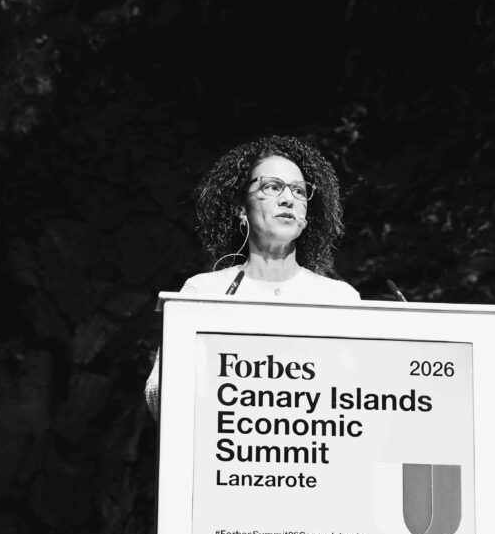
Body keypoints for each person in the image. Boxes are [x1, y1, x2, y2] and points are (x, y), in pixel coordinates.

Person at [145, 135, 360, 415]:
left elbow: (360, 394)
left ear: (307, 216)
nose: (288, 199)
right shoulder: (205, 292)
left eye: (299, 190)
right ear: (241, 208)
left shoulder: (339, 298)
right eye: (272, 187)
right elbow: (158, 398)